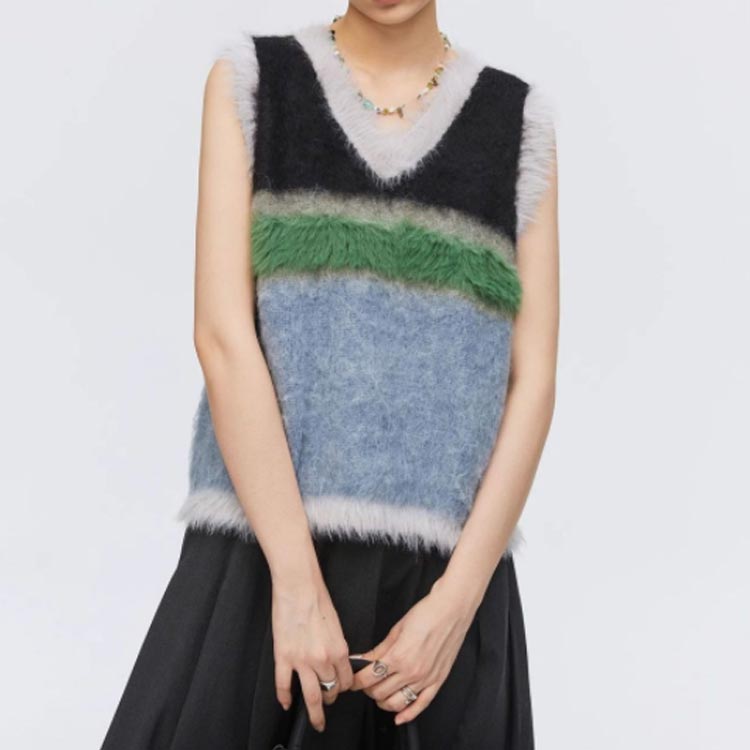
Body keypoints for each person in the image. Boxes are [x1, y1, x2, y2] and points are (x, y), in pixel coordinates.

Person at [101, 2, 559, 748]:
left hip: (442, 592)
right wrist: (297, 586)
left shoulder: (518, 120)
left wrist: (456, 605)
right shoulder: (255, 82)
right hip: (262, 564)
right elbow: (222, 337)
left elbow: (532, 381)